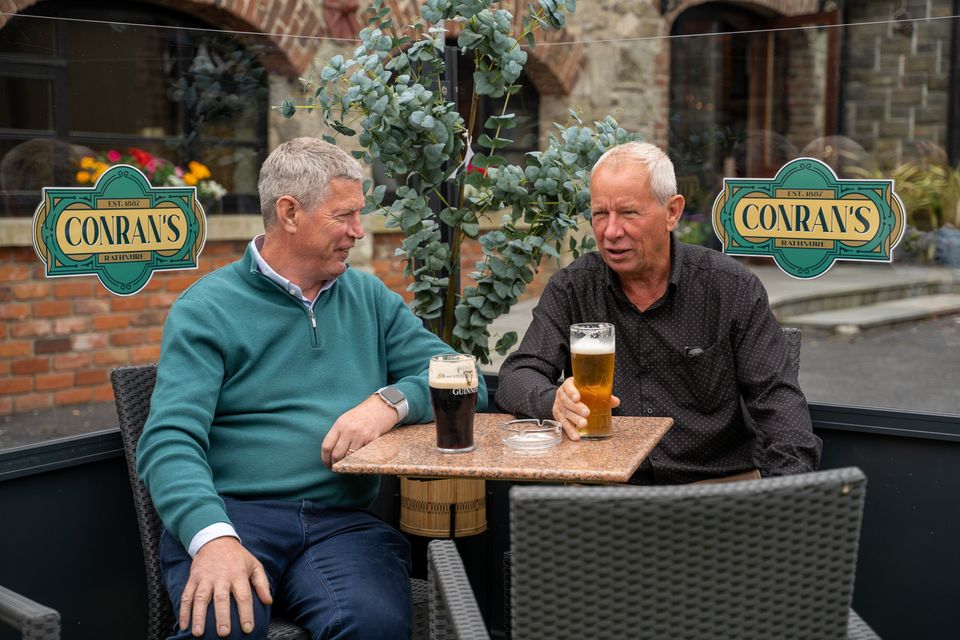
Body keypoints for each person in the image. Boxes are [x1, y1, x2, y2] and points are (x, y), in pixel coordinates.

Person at [137, 137, 486, 639]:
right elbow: (168, 441)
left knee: (373, 625)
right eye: (343, 216)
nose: (357, 232)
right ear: (290, 212)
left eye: (358, 214)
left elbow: (464, 378)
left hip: (340, 522)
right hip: (236, 516)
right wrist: (211, 539)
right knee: (220, 629)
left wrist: (388, 404)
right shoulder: (206, 310)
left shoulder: (367, 296)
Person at [495, 141, 820, 484]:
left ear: (672, 212)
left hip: (717, 488)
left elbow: (780, 407)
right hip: (607, 490)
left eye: (629, 213)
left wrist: (788, 497)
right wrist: (554, 403)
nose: (610, 231)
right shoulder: (574, 287)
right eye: (600, 214)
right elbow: (516, 377)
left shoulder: (729, 287)